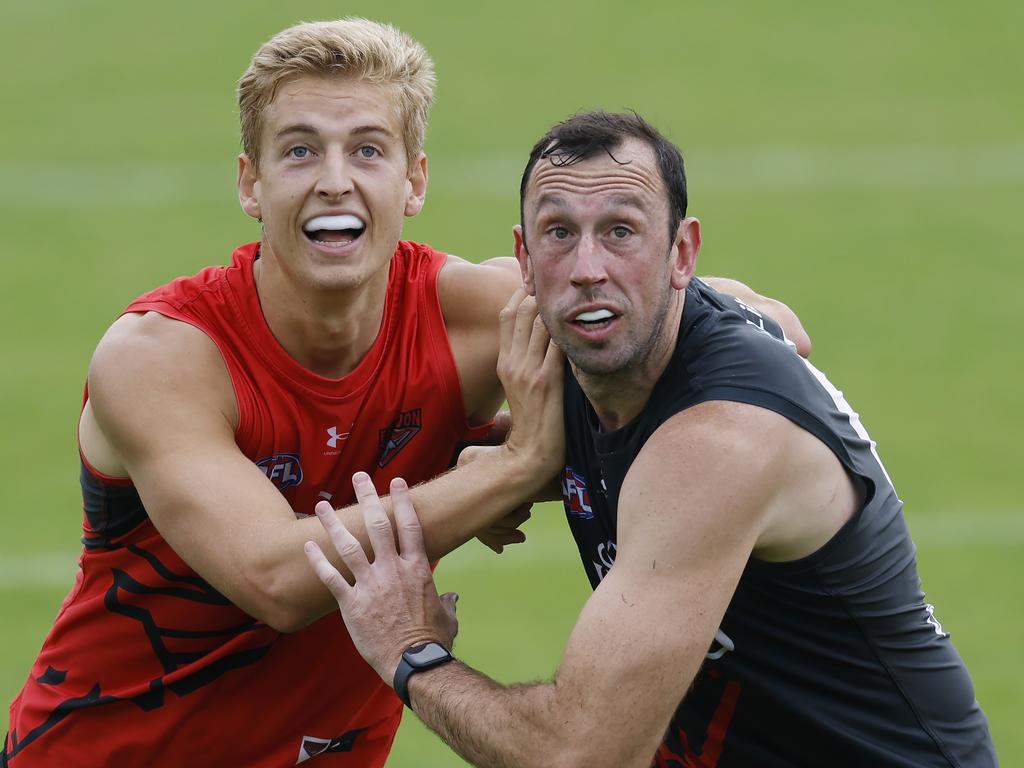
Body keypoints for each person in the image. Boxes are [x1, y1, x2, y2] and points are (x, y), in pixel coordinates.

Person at [2, 21, 806, 768]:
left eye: (368, 150)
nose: (335, 182)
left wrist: (506, 445)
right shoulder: (162, 357)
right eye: (299, 152)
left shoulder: (474, 319)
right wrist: (516, 466)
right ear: (250, 184)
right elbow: (278, 579)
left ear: (414, 180)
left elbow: (775, 332)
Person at [305, 111, 999, 767]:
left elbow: (583, 754)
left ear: (681, 252)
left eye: (621, 232)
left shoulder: (717, 446)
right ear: (522, 257)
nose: (586, 269)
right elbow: (783, 323)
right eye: (557, 232)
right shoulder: (593, 347)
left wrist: (412, 650)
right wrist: (522, 462)